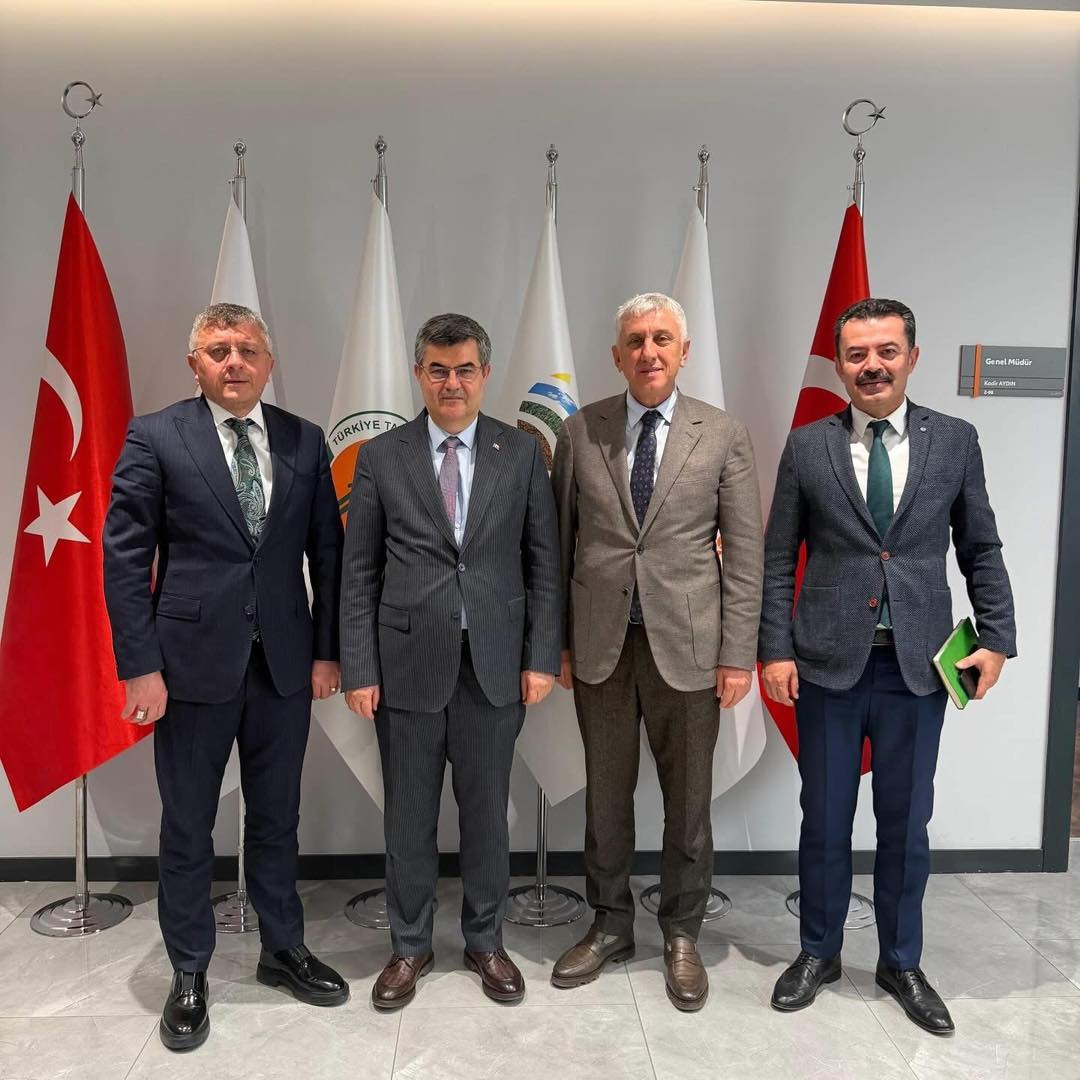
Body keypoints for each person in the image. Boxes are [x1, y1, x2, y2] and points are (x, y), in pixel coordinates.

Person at [760, 297, 1016, 1035]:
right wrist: (774, 649)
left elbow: (981, 547)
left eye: (886, 351)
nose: (871, 366)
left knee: (906, 824)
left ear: (911, 357)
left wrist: (997, 636)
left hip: (919, 669)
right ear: (841, 364)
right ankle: (819, 951)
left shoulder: (955, 440)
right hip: (826, 666)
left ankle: (901, 961)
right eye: (856, 354)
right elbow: (778, 559)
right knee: (824, 819)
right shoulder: (807, 446)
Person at [103, 303, 348, 1051]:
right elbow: (124, 558)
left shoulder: (304, 440)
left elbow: (327, 555)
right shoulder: (156, 436)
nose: (233, 361)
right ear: (196, 364)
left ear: (269, 364)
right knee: (188, 824)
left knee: (277, 817)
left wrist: (328, 652)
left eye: (247, 349)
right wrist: (140, 666)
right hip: (187, 668)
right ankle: (189, 969)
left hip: (283, 663)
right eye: (218, 350)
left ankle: (283, 948)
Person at [550, 292, 764, 1012]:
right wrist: (559, 642)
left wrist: (738, 654)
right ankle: (610, 924)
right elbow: (558, 546)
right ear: (617, 355)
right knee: (605, 798)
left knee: (689, 803)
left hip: (691, 649)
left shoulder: (723, 434)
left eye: (661, 339)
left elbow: (746, 556)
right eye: (636, 340)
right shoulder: (580, 431)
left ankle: (681, 932)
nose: (648, 352)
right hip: (601, 647)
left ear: (683, 351)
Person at [340, 312, 561, 1009]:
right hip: (405, 667)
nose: (452, 383)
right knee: (407, 818)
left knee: (487, 816)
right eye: (438, 370)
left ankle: (485, 941)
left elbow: (544, 563)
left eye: (465, 369)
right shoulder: (382, 456)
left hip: (494, 667)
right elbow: (358, 571)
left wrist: (541, 657)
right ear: (419, 374)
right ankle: (409, 946)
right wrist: (359, 667)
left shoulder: (519, 454)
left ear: (485, 373)